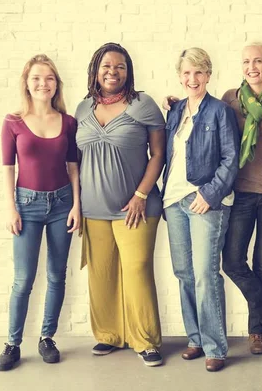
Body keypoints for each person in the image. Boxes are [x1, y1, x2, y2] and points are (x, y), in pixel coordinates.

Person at [75, 42, 166, 367]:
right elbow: (76, 160)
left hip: (136, 208)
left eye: (120, 67)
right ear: (96, 71)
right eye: (106, 66)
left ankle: (145, 340)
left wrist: (141, 195)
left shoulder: (143, 105)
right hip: (93, 209)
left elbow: (159, 155)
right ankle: (109, 335)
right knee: (101, 274)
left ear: (128, 72)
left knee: (137, 270)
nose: (112, 72)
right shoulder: (83, 108)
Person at [0, 55, 81, 371]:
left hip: (61, 204)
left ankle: (47, 337)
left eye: (49, 78)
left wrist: (76, 205)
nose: (43, 83)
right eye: (36, 78)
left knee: (57, 274)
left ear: (56, 83)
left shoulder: (68, 121)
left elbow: (73, 168)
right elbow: (8, 168)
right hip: (26, 206)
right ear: (27, 83)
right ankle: (12, 344)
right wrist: (10, 208)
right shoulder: (13, 122)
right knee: (23, 279)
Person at [162, 48, 240, 372]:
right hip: (174, 200)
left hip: (205, 200)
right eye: (186, 73)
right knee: (184, 274)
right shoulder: (175, 111)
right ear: (180, 76)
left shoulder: (220, 111)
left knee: (206, 275)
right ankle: (195, 338)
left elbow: (231, 159)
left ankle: (215, 347)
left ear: (208, 75)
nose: (192, 79)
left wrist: (209, 194)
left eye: (198, 73)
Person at [220, 43, 262, 355]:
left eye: (258, 61)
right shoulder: (231, 99)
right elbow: (209, 120)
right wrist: (180, 103)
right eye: (246, 61)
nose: (252, 67)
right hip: (242, 193)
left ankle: (256, 334)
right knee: (233, 261)